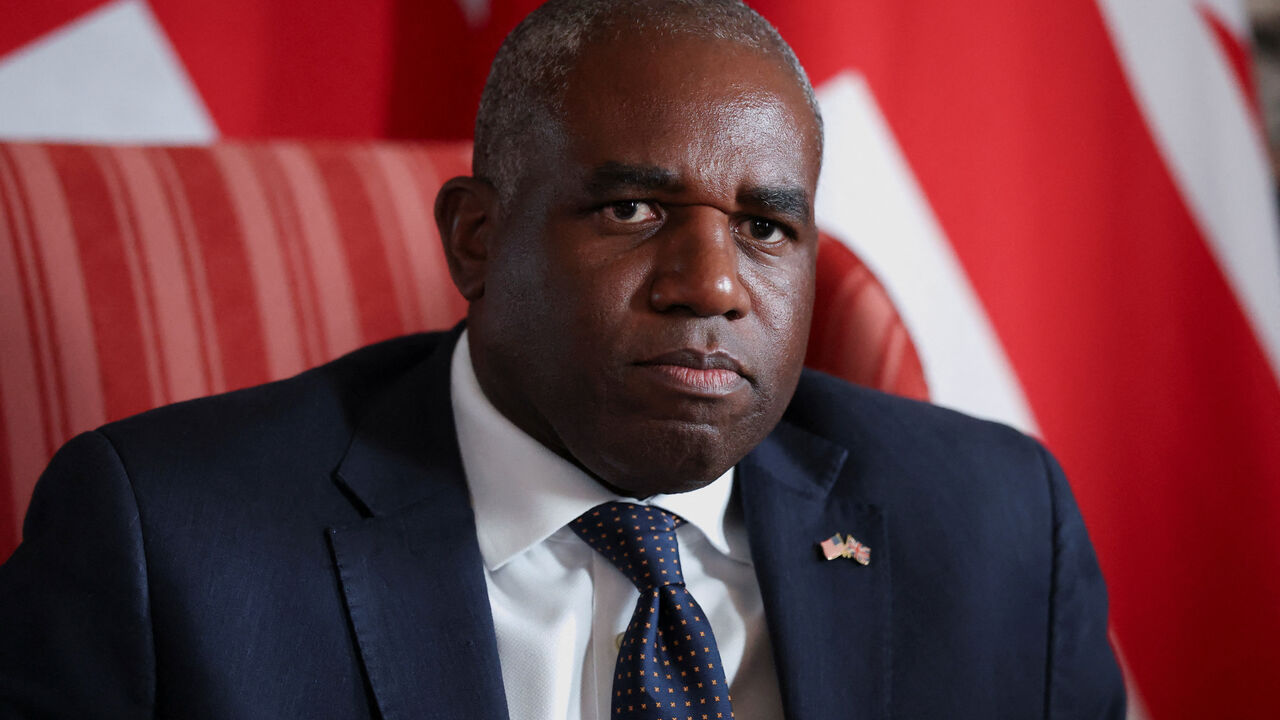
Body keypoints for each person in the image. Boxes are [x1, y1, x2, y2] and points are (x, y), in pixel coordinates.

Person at [0, 0, 1125, 717]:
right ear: (475, 241)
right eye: (633, 209)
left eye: (766, 226)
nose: (714, 283)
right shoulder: (164, 542)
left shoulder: (992, 528)